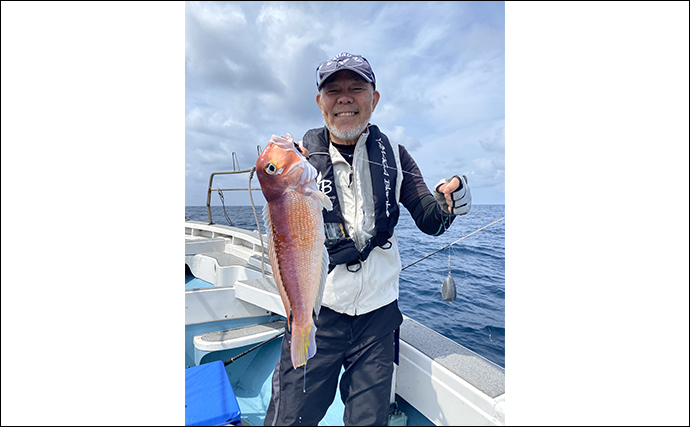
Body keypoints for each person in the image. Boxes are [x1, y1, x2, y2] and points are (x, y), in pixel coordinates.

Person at [264, 52, 471, 426]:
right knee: (288, 418)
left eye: (356, 88)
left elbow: (430, 219)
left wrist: (449, 202)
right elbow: (281, 216)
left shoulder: (395, 154)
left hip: (378, 315)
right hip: (319, 308)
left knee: (369, 421)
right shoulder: (303, 158)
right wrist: (276, 168)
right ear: (319, 103)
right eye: (333, 90)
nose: (345, 98)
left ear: (374, 99)